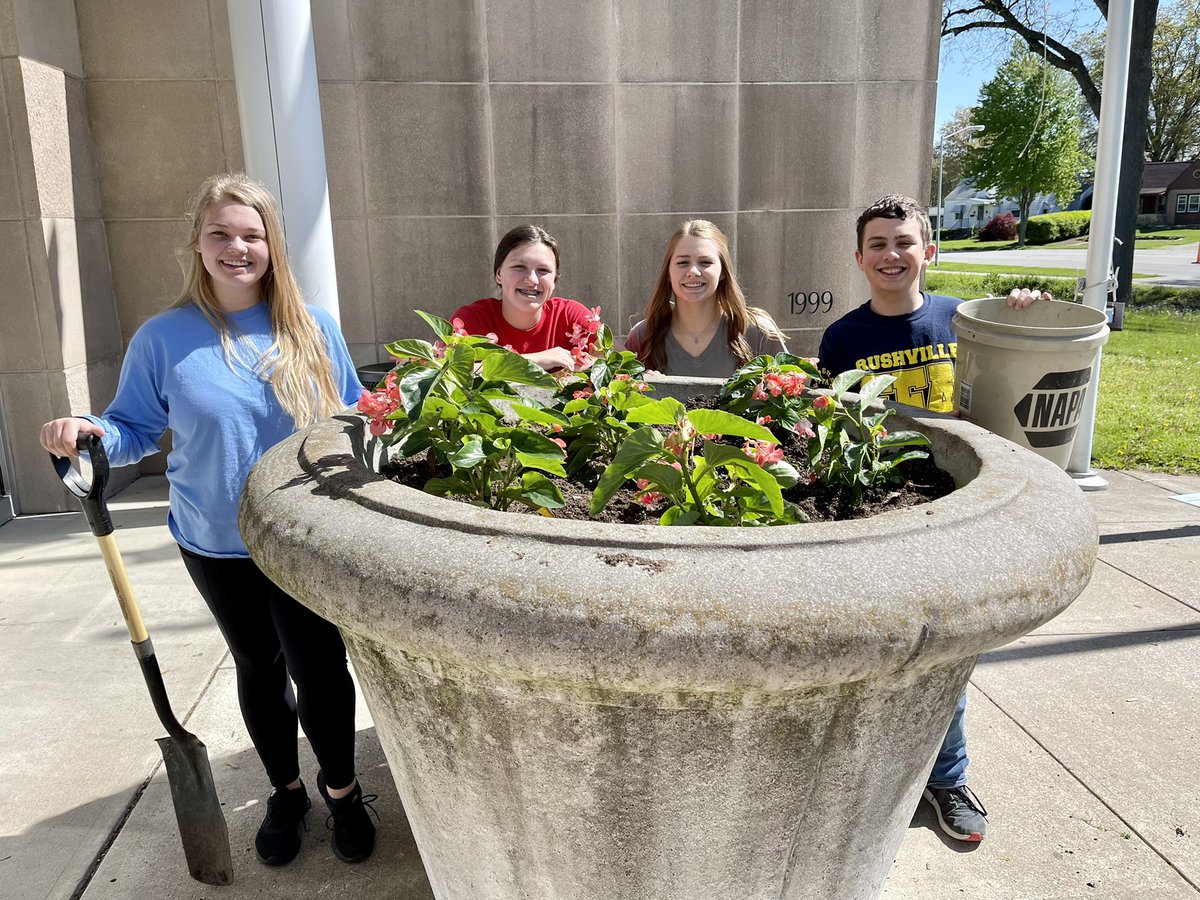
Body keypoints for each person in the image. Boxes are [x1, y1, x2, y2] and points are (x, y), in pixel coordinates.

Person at [39, 173, 376, 867]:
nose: (237, 247)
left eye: (252, 235)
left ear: (273, 246)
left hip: (306, 539)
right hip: (216, 543)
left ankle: (341, 792)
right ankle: (287, 793)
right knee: (259, 666)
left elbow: (356, 413)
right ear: (197, 242)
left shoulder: (313, 328)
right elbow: (131, 428)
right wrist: (88, 432)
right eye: (220, 233)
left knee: (320, 671)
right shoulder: (164, 338)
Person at [818, 194, 1050, 844]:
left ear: (930, 249)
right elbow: (832, 428)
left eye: (904, 242)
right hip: (879, 515)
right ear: (859, 259)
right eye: (879, 245)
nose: (892, 255)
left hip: (957, 516)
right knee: (871, 652)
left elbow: (1024, 358)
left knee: (946, 657)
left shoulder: (963, 322)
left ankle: (946, 780)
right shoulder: (843, 339)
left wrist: (1023, 312)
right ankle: (869, 780)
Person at [624, 219, 787, 377]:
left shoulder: (758, 332)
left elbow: (790, 398)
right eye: (682, 263)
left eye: (705, 262)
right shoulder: (644, 335)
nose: (693, 271)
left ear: (723, 271)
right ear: (668, 272)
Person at [452, 224, 598, 372]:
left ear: (554, 280)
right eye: (519, 267)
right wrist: (536, 360)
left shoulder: (569, 316)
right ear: (499, 274)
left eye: (543, 270)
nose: (532, 280)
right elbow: (446, 372)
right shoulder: (471, 320)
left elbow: (613, 360)